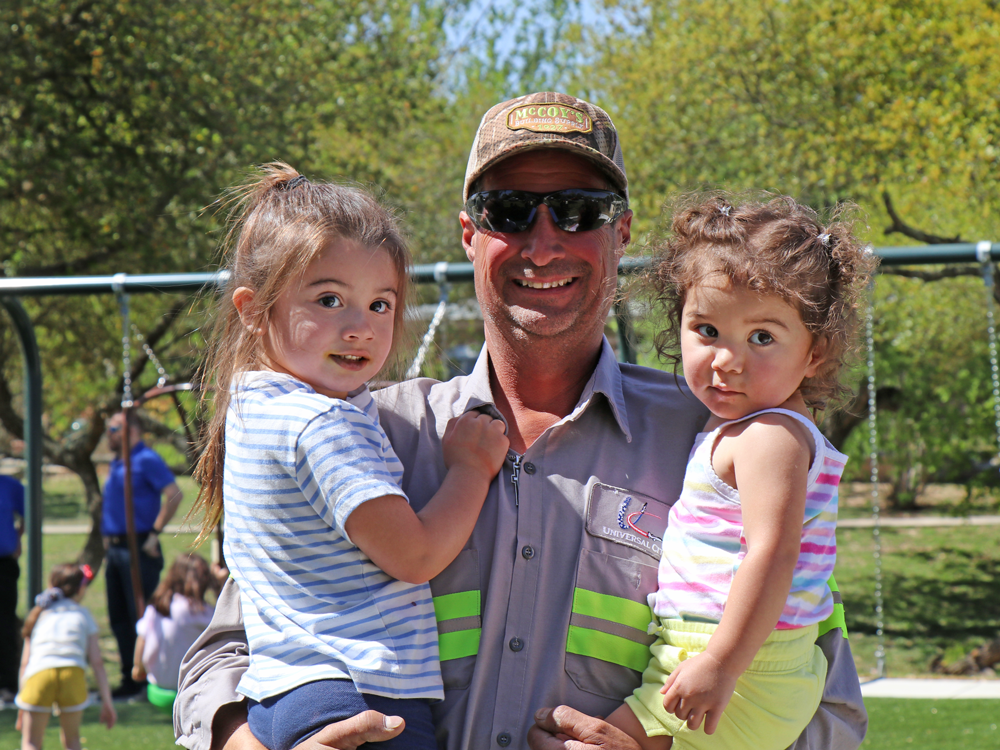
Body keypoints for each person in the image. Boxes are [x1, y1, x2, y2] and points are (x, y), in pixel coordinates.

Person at [174, 92, 868, 750]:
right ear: (469, 235)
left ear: (622, 232)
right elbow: (224, 653)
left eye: (578, 210)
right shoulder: (367, 431)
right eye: (507, 211)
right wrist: (250, 742)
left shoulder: (721, 442)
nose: (542, 243)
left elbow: (826, 704)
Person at [190, 164, 509, 750]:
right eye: (330, 299)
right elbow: (415, 555)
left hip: (285, 695)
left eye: (381, 304)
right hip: (362, 694)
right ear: (253, 310)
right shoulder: (320, 424)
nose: (360, 327)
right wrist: (470, 468)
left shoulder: (255, 408)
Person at [602, 195, 874, 750]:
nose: (727, 360)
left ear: (815, 353)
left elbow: (772, 553)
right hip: (736, 658)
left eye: (762, 337)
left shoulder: (769, 436)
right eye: (706, 329)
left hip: (742, 663)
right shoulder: (749, 427)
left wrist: (721, 664)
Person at [101, 408, 184, 697]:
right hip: (115, 548)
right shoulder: (118, 462)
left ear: (131, 430)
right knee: (118, 616)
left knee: (141, 616)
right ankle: (129, 679)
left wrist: (154, 532)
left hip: (138, 546)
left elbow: (174, 493)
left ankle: (148, 678)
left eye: (113, 429)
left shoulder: (146, 459)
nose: (108, 434)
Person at [16, 563, 116, 750]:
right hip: (73, 674)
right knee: (72, 741)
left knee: (31, 742)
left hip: (38, 675)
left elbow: (25, 663)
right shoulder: (83, 614)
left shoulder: (38, 614)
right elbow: (97, 663)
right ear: (81, 588)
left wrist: (23, 699)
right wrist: (107, 702)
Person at [133, 553, 217, 714]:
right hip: (189, 690)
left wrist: (138, 667)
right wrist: (220, 586)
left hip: (158, 688)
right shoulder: (201, 613)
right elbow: (225, 621)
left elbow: (142, 639)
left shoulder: (157, 608)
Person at [0, 472, 25, 700]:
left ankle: (7, 684)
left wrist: (17, 538)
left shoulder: (9, 486)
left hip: (3, 565)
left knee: (5, 625)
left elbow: (30, 512)